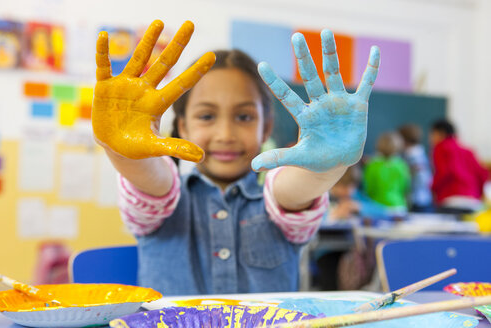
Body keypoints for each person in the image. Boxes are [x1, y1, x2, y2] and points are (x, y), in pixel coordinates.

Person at [91, 20, 380, 295]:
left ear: (265, 127)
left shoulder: (277, 196)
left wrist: (328, 166)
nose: (226, 133)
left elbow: (297, 189)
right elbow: (150, 178)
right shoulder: (164, 192)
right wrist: (123, 152)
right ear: (182, 127)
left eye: (243, 116)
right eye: (206, 116)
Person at [430, 119, 488, 214]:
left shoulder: (440, 148)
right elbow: (482, 175)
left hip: (450, 200)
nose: (431, 139)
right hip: (473, 202)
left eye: (432, 134)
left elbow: (443, 173)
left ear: (440, 133)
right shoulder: (468, 151)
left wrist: (432, 188)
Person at [363, 132, 410, 213]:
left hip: (377, 206)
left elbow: (369, 188)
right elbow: (405, 187)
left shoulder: (372, 165)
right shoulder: (401, 165)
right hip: (398, 205)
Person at [398, 124, 433, 212]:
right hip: (424, 198)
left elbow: (421, 180)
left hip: (417, 201)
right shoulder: (420, 153)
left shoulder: (412, 155)